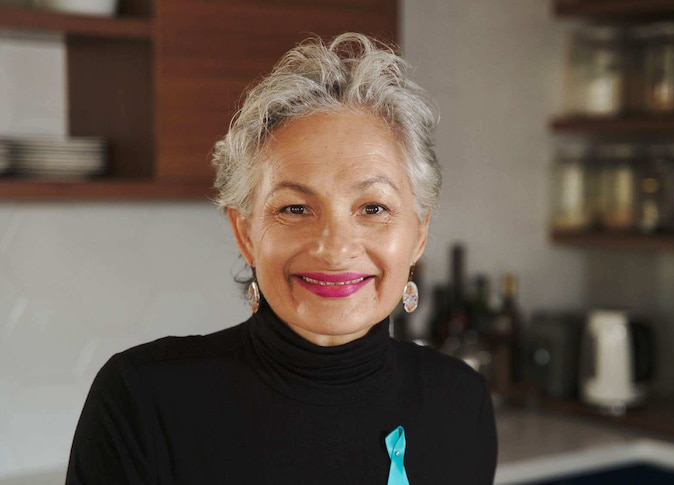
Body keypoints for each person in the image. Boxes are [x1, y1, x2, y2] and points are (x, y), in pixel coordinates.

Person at [65, 33, 497, 484]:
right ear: (245, 232)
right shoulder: (142, 401)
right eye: (295, 208)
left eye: (373, 208)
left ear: (418, 233)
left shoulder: (460, 402)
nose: (334, 248)